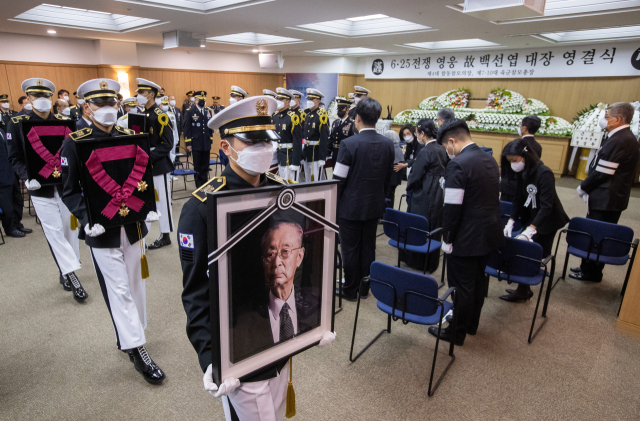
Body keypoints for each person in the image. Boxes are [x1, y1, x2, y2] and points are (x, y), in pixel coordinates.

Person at [178, 95, 335, 421]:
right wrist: (209, 357)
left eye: (268, 140)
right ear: (225, 147)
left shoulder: (283, 192)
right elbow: (195, 292)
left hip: (281, 338)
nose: (264, 148)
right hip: (240, 346)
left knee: (276, 411)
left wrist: (315, 320)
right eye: (252, 141)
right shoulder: (202, 208)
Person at [58, 78, 165, 384]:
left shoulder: (129, 135)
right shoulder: (74, 142)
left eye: (111, 103)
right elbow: (70, 190)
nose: (107, 109)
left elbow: (141, 175)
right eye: (99, 104)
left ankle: (129, 334)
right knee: (118, 289)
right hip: (100, 228)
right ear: (86, 107)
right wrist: (84, 215)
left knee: (135, 285)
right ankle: (138, 349)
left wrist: (149, 206)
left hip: (132, 226)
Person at [6, 78, 87, 301]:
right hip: (39, 187)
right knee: (53, 231)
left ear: (51, 98)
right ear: (28, 99)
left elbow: (72, 154)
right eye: (36, 96)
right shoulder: (18, 122)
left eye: (45, 96)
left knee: (69, 229)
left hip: (64, 186)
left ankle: (68, 267)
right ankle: (70, 274)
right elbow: (15, 157)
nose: (41, 100)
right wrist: (26, 177)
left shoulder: (64, 121)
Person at [428, 119, 502, 346]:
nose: (446, 152)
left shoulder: (458, 164)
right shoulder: (488, 158)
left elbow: (452, 208)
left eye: (445, 147)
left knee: (461, 287)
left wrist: (448, 238)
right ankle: (471, 325)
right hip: (487, 233)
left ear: (451, 141)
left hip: (465, 236)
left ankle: (455, 332)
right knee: (478, 283)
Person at [334, 97, 394, 301]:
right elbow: (388, 179)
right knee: (369, 247)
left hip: (350, 207)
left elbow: (338, 181)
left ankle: (350, 290)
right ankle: (365, 287)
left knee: (350, 249)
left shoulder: (348, 144)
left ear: (357, 117)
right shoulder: (388, 144)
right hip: (374, 205)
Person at [572, 102, 640, 282]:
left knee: (596, 235)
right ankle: (588, 268)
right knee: (597, 234)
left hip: (607, 198)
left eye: (607, 117)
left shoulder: (620, 140)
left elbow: (603, 172)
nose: (604, 120)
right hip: (611, 197)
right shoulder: (623, 137)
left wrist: (584, 187)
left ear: (618, 119)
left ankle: (590, 272)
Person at [501, 138, 569, 302]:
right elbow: (517, 198)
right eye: (510, 161)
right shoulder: (522, 171)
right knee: (522, 250)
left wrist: (531, 229)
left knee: (532, 254)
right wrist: (511, 220)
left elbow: (546, 206)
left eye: (515, 160)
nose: (513, 164)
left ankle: (523, 289)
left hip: (547, 220)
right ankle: (523, 289)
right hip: (531, 214)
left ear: (525, 156)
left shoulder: (544, 173)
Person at [135, 78, 176, 250]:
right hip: (143, 163)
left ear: (151, 94)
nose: (138, 96)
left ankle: (165, 234)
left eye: (141, 93)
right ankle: (143, 234)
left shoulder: (161, 115)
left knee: (163, 202)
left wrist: (149, 155)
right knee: (145, 199)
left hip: (158, 164)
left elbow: (168, 143)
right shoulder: (142, 114)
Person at [406, 119, 447, 224]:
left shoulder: (426, 151)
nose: (416, 135)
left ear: (422, 133)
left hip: (425, 191)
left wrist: (409, 188)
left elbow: (415, 175)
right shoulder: (441, 148)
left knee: (422, 224)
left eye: (416, 132)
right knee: (434, 223)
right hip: (439, 190)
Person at [183, 90, 213, 188]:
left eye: (203, 99)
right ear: (196, 100)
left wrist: (210, 139)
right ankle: (199, 187)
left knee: (205, 166)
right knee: (197, 166)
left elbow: (210, 127)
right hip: (196, 143)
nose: (202, 101)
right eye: (200, 99)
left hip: (206, 143)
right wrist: (188, 144)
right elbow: (187, 128)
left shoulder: (207, 111)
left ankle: (205, 185)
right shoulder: (190, 112)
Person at [273, 88, 302, 183]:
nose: (278, 101)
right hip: (281, 156)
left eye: (281, 99)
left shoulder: (293, 117)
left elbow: (297, 142)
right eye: (278, 99)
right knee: (282, 183)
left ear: (288, 102)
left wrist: (295, 162)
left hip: (290, 157)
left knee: (291, 186)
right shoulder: (276, 117)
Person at [0, 127, 25, 238]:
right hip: (2, 175)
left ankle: (17, 224)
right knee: (7, 205)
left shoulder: (1, 130)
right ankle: (10, 228)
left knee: (17, 200)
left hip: (11, 171)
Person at [302, 88, 329, 182]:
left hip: (316, 153)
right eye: (308, 99)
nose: (309, 101)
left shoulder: (322, 115)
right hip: (307, 152)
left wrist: (322, 157)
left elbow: (324, 137)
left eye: (312, 99)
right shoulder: (307, 114)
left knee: (314, 180)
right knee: (307, 178)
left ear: (318, 101)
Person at [328, 97, 356, 170]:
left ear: (347, 110)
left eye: (341, 109)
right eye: (338, 109)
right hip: (335, 154)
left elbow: (353, 142)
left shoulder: (351, 124)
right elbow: (331, 139)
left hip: (345, 155)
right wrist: (327, 152)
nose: (339, 111)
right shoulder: (335, 123)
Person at [383, 130, 405, 207]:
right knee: (391, 195)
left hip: (391, 178)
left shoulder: (391, 148)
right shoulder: (397, 147)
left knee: (388, 196)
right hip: (396, 178)